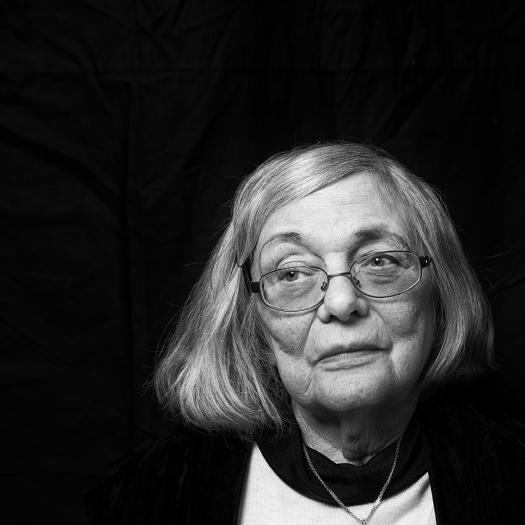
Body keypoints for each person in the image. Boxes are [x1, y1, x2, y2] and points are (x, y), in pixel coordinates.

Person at [88, 142, 525, 524]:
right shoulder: (150, 498)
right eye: (292, 272)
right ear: (252, 318)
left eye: (380, 261)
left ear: (440, 293)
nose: (341, 302)